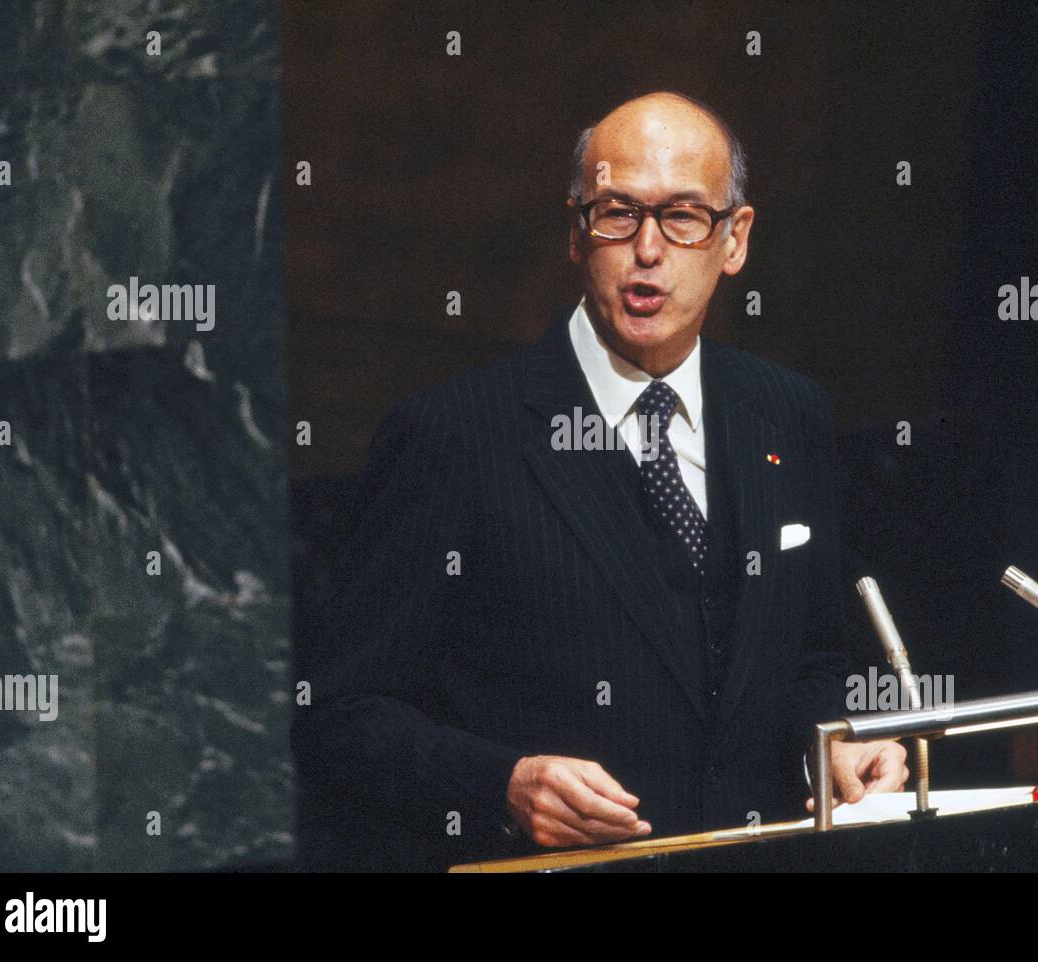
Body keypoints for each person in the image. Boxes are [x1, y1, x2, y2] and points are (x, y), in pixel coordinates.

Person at [293, 91, 907, 871]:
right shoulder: (456, 434)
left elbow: (815, 656)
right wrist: (504, 784)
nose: (648, 249)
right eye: (618, 213)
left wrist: (841, 740)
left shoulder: (788, 414)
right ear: (577, 232)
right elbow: (339, 717)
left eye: (684, 217)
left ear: (735, 239)